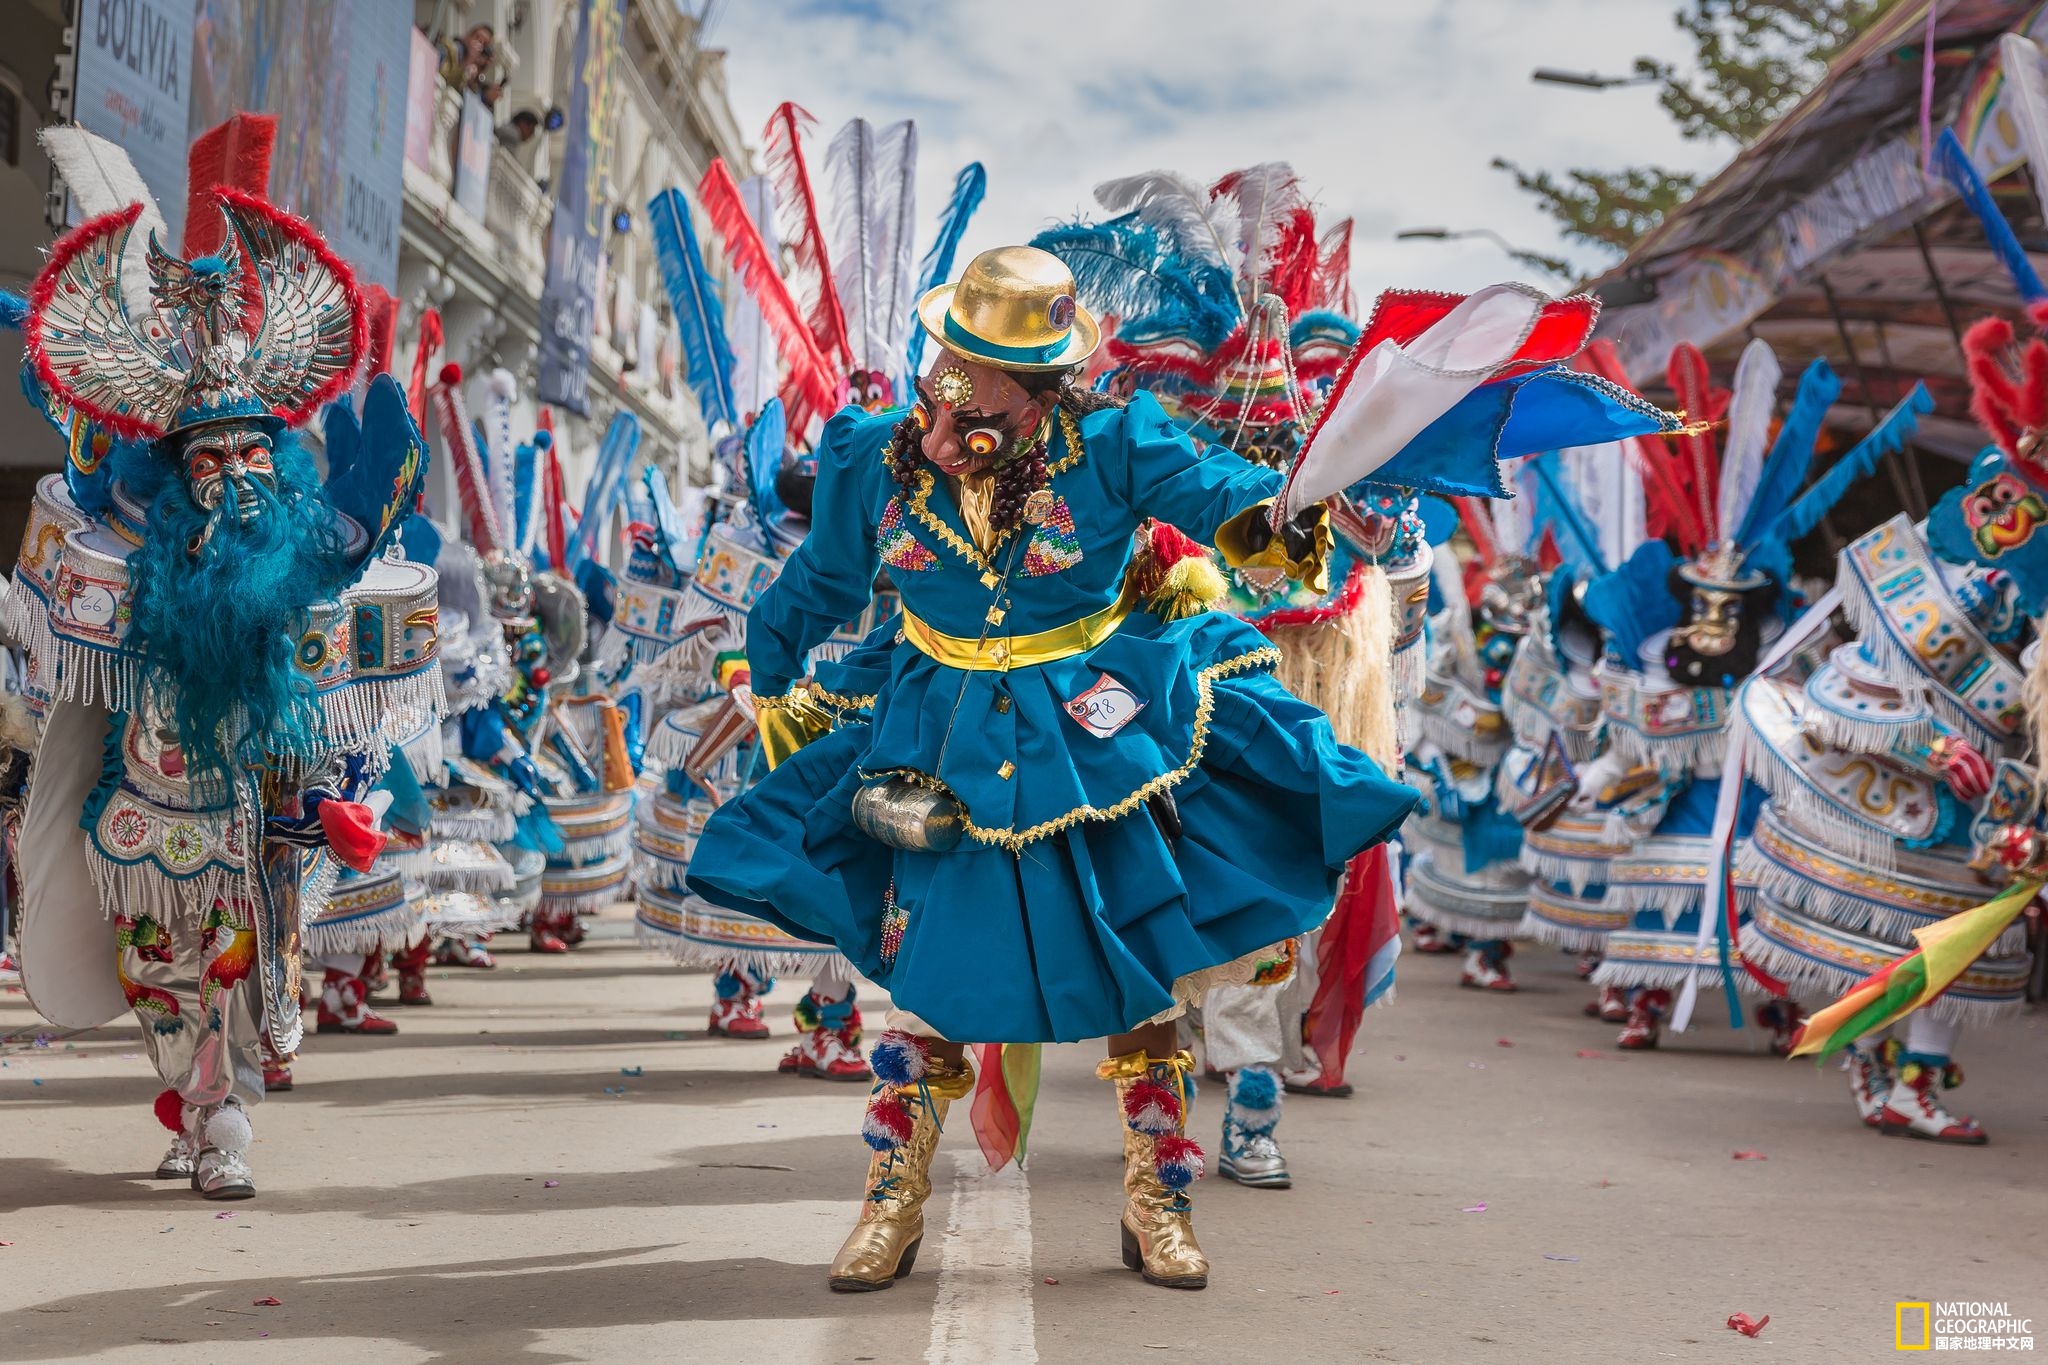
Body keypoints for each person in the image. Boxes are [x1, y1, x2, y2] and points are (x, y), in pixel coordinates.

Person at [687, 245, 1417, 1292]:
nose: (959, 388)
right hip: (932, 736)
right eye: (952, 359)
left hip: (1089, 738)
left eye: (988, 373)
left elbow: (1219, 494)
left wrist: (1305, 500)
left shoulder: (1113, 443)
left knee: (1132, 973)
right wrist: (765, 669)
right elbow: (824, 579)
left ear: (1040, 386)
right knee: (927, 975)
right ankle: (890, 1201)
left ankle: (1154, 1198)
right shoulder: (869, 460)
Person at [10, 185, 439, 1199]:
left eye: (253, 454)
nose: (234, 476)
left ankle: (214, 1115)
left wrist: (326, 795)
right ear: (176, 472)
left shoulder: (299, 569)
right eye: (210, 458)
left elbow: (345, 676)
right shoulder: (121, 559)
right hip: (135, 819)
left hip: (249, 820)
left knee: (234, 974)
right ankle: (194, 1104)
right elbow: (61, 651)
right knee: (157, 978)